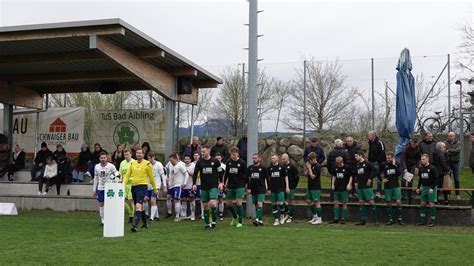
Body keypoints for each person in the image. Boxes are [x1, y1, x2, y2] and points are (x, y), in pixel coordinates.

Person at [122, 148, 158, 232]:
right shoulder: (132, 163)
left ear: (143, 154)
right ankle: (145, 224)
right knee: (139, 206)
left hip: (142, 187)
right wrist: (123, 183)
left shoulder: (148, 164)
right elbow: (127, 175)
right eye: (137, 153)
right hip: (133, 187)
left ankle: (134, 226)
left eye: (140, 153)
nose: (138, 154)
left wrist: (155, 189)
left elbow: (152, 178)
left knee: (138, 206)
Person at [192, 145, 222, 230]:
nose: (202, 153)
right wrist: (194, 184)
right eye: (201, 152)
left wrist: (221, 182)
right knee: (205, 206)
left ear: (208, 151)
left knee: (212, 204)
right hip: (204, 187)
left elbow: (220, 172)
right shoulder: (200, 162)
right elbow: (195, 173)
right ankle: (207, 224)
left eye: (203, 152)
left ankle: (214, 223)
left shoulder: (215, 161)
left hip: (213, 186)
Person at [223, 147, 248, 228]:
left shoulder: (242, 163)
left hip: (240, 185)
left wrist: (248, 186)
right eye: (231, 154)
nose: (232, 156)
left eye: (234, 154)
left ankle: (240, 221)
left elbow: (246, 175)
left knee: (238, 202)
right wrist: (224, 183)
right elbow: (226, 173)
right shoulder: (228, 162)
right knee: (228, 204)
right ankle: (235, 217)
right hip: (230, 185)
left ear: (237, 154)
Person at [354, 150, 378, 226]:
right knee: (361, 202)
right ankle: (362, 220)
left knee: (371, 202)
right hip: (360, 186)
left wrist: (370, 178)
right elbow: (357, 175)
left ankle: (375, 220)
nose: (355, 158)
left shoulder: (368, 163)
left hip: (367, 187)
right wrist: (356, 182)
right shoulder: (357, 165)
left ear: (361, 156)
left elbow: (375, 171)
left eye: (356, 156)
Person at [92, 152, 117, 225]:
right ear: (99, 159)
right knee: (101, 203)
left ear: (107, 158)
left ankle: (111, 218)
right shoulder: (97, 166)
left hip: (110, 188)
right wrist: (94, 190)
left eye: (104, 158)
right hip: (101, 188)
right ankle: (103, 220)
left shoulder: (111, 166)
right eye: (101, 158)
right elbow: (96, 178)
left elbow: (116, 175)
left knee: (110, 203)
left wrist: (113, 182)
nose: (103, 159)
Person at [380, 152, 404, 225]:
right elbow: (377, 172)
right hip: (387, 187)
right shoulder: (384, 164)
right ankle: (390, 219)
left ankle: (400, 218)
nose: (388, 159)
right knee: (388, 202)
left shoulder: (397, 164)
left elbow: (399, 173)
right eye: (387, 158)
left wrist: (394, 165)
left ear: (393, 158)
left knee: (398, 202)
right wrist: (381, 180)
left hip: (396, 185)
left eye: (389, 158)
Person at [416, 154, 438, 227]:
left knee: (431, 203)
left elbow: (436, 179)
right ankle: (422, 220)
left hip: (431, 188)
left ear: (427, 159)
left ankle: (432, 220)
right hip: (424, 188)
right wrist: (418, 188)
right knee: (422, 203)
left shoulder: (432, 168)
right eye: (421, 159)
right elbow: (420, 179)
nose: (422, 161)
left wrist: (432, 188)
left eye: (423, 159)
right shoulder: (421, 168)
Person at [267, 154, 290, 226]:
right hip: (272, 189)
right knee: (273, 204)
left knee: (280, 203)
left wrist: (287, 187)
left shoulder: (281, 167)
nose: (272, 160)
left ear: (277, 159)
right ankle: (276, 220)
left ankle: (282, 216)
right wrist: (268, 188)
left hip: (280, 188)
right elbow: (268, 179)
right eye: (271, 158)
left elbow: (286, 177)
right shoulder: (269, 168)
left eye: (273, 158)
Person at [247, 153, 268, 226]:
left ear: (259, 159)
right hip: (253, 189)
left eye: (255, 158)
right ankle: (260, 220)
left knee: (259, 204)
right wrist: (249, 188)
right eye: (253, 158)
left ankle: (256, 219)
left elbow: (267, 178)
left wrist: (268, 188)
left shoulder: (263, 168)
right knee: (256, 205)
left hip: (261, 189)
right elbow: (248, 179)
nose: (254, 159)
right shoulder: (250, 168)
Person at [330, 156, 352, 224]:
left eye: (339, 164)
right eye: (337, 164)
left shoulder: (347, 167)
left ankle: (343, 219)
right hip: (337, 188)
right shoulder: (335, 168)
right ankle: (336, 218)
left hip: (344, 188)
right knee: (335, 203)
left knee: (344, 203)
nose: (338, 166)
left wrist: (349, 184)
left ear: (342, 162)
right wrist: (332, 184)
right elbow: (334, 176)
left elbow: (351, 176)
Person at [167, 153, 188, 222]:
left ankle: (177, 216)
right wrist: (169, 183)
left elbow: (186, 174)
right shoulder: (171, 166)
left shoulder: (180, 165)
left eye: (172, 160)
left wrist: (184, 183)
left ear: (176, 159)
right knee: (173, 200)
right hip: (172, 186)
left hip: (178, 185)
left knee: (177, 200)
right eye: (170, 160)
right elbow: (170, 175)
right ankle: (181, 215)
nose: (171, 162)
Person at [305, 152, 323, 225]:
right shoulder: (310, 165)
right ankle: (315, 216)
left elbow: (312, 176)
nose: (309, 161)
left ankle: (319, 218)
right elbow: (305, 174)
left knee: (317, 202)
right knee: (308, 201)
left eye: (310, 160)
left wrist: (309, 168)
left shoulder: (318, 166)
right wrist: (308, 168)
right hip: (310, 186)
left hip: (316, 187)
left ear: (314, 159)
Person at [281, 153, 299, 223]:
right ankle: (287, 213)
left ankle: (290, 216)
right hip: (283, 187)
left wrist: (293, 185)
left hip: (291, 187)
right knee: (282, 201)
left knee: (289, 201)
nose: (282, 160)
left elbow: (297, 177)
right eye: (282, 159)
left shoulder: (292, 167)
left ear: (287, 159)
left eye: (284, 159)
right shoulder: (282, 167)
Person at [368, 130, 386, 198]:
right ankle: (371, 192)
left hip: (377, 163)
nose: (368, 136)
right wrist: (369, 161)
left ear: (373, 135)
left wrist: (378, 161)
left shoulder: (379, 143)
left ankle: (378, 192)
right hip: (371, 162)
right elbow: (370, 152)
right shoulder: (370, 142)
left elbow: (382, 153)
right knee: (370, 177)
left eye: (369, 135)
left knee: (378, 177)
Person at [119, 149, 135, 224]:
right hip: (124, 184)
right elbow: (120, 174)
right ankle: (131, 213)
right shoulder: (122, 163)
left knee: (130, 200)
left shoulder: (134, 162)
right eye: (125, 155)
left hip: (132, 184)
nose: (126, 156)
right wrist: (120, 179)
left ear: (131, 154)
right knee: (124, 201)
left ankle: (131, 216)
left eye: (127, 154)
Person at [445, 132, 461, 200]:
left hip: (455, 162)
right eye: (449, 136)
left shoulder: (458, 142)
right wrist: (451, 151)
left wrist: (449, 150)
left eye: (451, 136)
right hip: (447, 162)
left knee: (456, 179)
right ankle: (448, 194)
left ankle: (457, 194)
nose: (450, 137)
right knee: (448, 179)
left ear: (454, 136)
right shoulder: (445, 143)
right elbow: (444, 151)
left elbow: (458, 150)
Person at [182, 154, 196, 220]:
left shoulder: (193, 166)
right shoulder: (182, 166)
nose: (187, 160)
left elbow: (194, 175)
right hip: (183, 186)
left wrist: (187, 173)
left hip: (190, 185)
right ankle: (184, 214)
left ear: (190, 160)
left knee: (191, 200)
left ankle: (192, 215)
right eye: (185, 159)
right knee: (183, 199)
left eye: (188, 159)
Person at [215, 153, 226, 221]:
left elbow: (224, 175)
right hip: (214, 184)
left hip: (221, 184)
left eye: (219, 158)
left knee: (220, 199)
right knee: (214, 199)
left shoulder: (223, 166)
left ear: (221, 158)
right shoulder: (212, 164)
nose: (218, 159)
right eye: (216, 158)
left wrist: (222, 183)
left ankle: (221, 214)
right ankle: (214, 213)